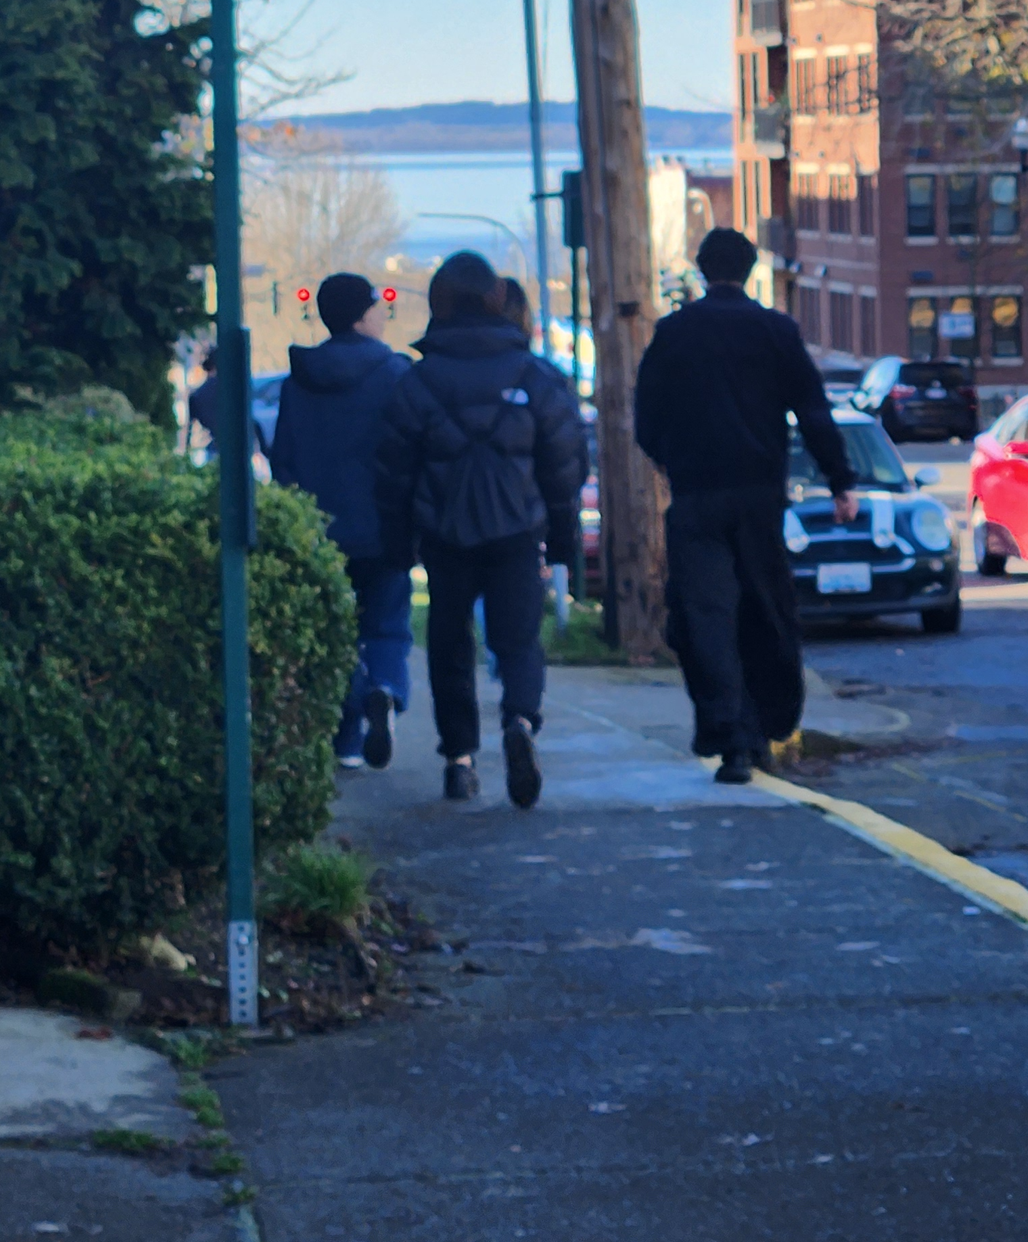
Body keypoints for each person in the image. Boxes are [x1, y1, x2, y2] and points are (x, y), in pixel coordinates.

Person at [634, 226, 859, 785]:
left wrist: (671, 461)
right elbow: (813, 412)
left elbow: (646, 420)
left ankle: (728, 734)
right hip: (759, 496)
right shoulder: (775, 332)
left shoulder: (673, 334)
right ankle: (763, 728)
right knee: (765, 611)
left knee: (704, 617)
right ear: (751, 269)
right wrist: (839, 480)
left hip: (696, 497)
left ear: (702, 271)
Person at [375, 251, 585, 807]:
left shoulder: (419, 380)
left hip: (445, 533)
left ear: (439, 302)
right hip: (517, 529)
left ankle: (459, 760)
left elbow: (393, 471)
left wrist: (400, 545)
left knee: (449, 644)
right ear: (497, 299)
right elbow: (564, 465)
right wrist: (563, 541)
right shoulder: (534, 375)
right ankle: (519, 720)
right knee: (519, 639)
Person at [270, 274, 413, 770]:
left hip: (319, 530)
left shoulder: (298, 380)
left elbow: (282, 456)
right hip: (384, 528)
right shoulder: (395, 373)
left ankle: (347, 738)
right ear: (361, 315)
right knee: (388, 623)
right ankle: (386, 688)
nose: (383, 315)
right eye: (378, 306)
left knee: (337, 632)